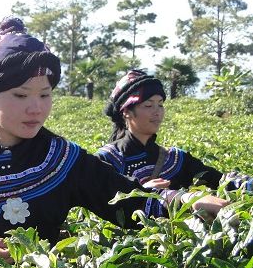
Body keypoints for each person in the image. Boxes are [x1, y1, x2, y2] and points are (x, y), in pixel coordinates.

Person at [0, 17, 227, 268]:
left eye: (45, 94)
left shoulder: (62, 159)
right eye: (21, 96)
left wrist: (187, 203)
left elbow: (129, 199)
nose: (36, 109)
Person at [97, 69, 252, 191]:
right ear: (127, 112)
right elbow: (96, 202)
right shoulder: (107, 160)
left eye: (160, 104)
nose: (157, 112)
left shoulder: (175, 159)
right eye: (148, 105)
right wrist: (141, 193)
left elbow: (219, 181)